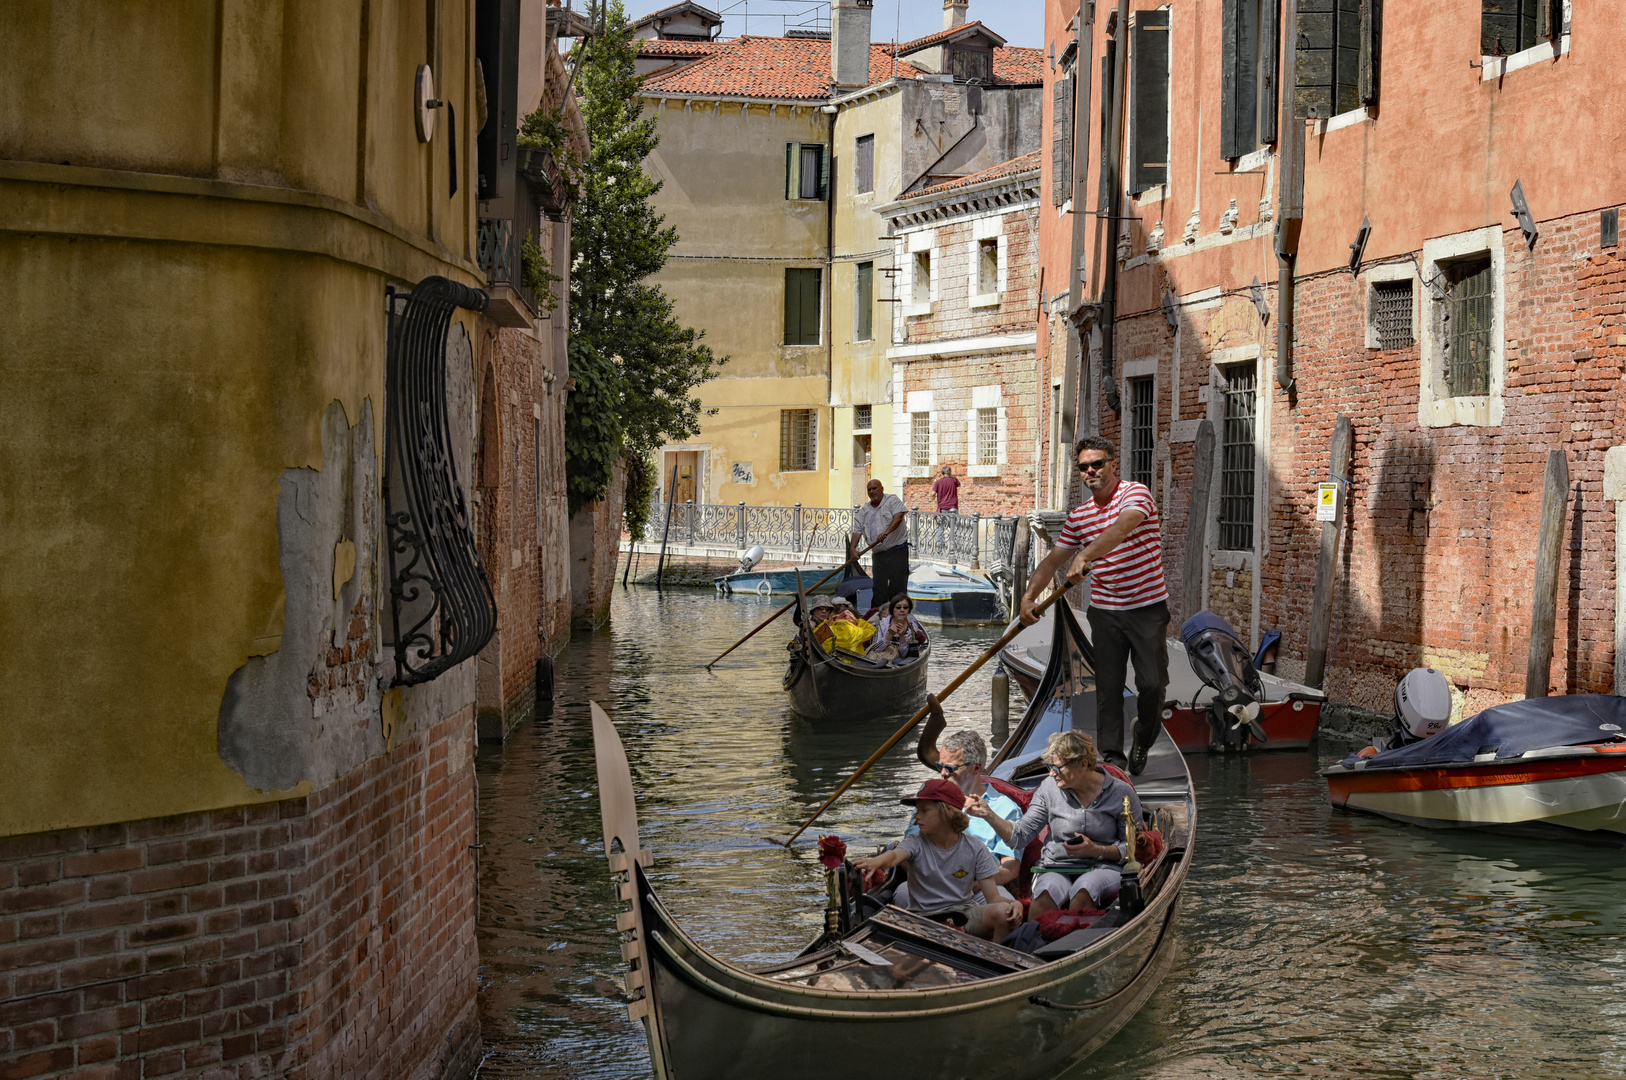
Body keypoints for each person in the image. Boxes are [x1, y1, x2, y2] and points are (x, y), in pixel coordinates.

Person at [1018, 436, 1169, 774]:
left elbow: (1121, 528)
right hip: (1105, 611)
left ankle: (1143, 737)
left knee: (1152, 684)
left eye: (1097, 464)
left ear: (1113, 464)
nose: (1091, 471)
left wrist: (1085, 554)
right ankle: (1113, 758)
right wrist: (1029, 598)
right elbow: (1052, 561)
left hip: (1147, 608)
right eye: (1084, 467)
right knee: (1109, 688)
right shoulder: (1080, 517)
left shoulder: (1135, 494)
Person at [966, 730, 1140, 918]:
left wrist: (1098, 850)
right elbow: (1020, 836)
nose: (1051, 773)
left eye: (1057, 768)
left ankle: (1072, 942)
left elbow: (1133, 847)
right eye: (1050, 766)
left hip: (1105, 867)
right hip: (1057, 866)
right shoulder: (1049, 787)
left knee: (1085, 889)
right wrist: (989, 814)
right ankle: (1031, 942)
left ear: (1082, 765)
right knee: (1044, 895)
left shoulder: (1121, 792)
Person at [854, 779, 1023, 941]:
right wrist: (875, 862)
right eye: (917, 810)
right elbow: (894, 856)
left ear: (947, 812)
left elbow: (993, 898)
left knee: (1004, 912)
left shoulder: (975, 847)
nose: (916, 817)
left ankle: (996, 965)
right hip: (924, 918)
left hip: (964, 915)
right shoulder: (915, 843)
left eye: (924, 810)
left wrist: (1016, 905)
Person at [900, 694, 1023, 906]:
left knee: (1006, 910)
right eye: (940, 767)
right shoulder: (930, 798)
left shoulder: (1005, 808)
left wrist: (974, 882)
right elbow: (906, 850)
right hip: (928, 883)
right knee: (902, 894)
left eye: (951, 769)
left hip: (981, 886)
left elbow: (1010, 868)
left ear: (976, 768)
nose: (943, 775)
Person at [851, 479, 909, 605]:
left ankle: (897, 616)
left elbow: (898, 516)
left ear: (882, 489)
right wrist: (853, 549)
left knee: (897, 588)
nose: (872, 492)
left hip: (897, 550)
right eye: (869, 490)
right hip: (878, 553)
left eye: (874, 488)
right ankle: (877, 616)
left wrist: (887, 532)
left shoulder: (892, 500)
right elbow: (857, 530)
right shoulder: (864, 510)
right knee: (878, 589)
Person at [866, 593, 927, 664]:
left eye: (905, 607)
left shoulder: (912, 626)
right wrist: (889, 635)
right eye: (898, 607)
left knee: (898, 662)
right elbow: (875, 649)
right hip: (878, 657)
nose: (902, 610)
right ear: (892, 609)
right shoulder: (882, 624)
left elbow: (905, 655)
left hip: (898, 660)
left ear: (909, 610)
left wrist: (902, 637)